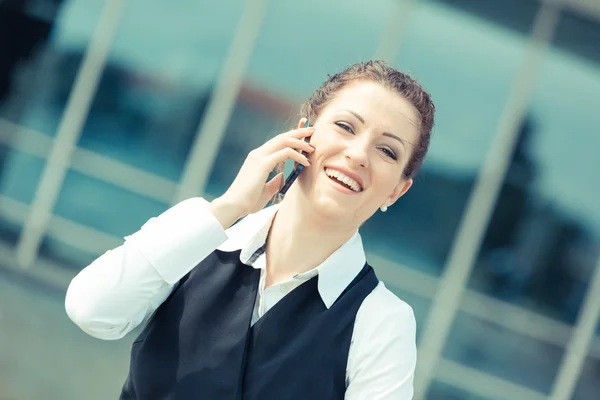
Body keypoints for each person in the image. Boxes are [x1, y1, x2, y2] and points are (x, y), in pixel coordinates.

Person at [65, 60, 435, 400]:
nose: (358, 154)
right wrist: (228, 208)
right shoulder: (199, 239)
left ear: (396, 190)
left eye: (387, 151)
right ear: (303, 133)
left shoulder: (381, 321)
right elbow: (91, 310)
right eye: (345, 126)